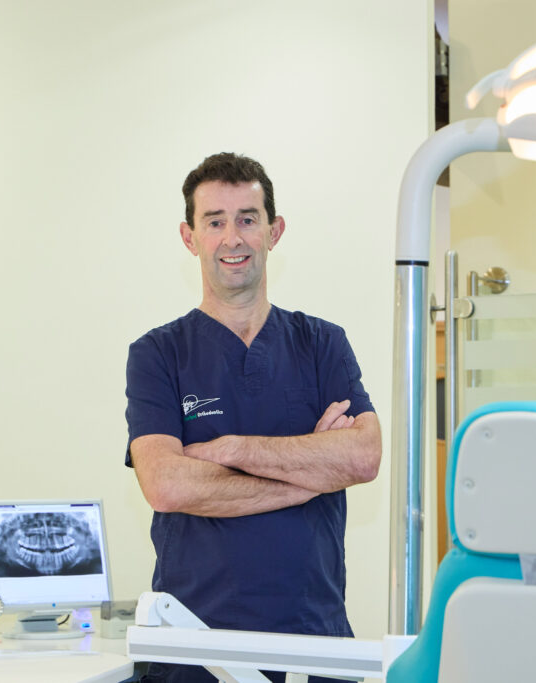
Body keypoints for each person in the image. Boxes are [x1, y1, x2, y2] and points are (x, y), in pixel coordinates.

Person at [124, 152, 382, 683]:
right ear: (189, 237)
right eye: (214, 222)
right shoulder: (157, 354)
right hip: (195, 643)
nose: (232, 237)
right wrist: (310, 473)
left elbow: (362, 455)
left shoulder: (321, 343)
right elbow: (167, 484)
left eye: (248, 218)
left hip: (316, 640)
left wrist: (232, 450)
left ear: (274, 230)